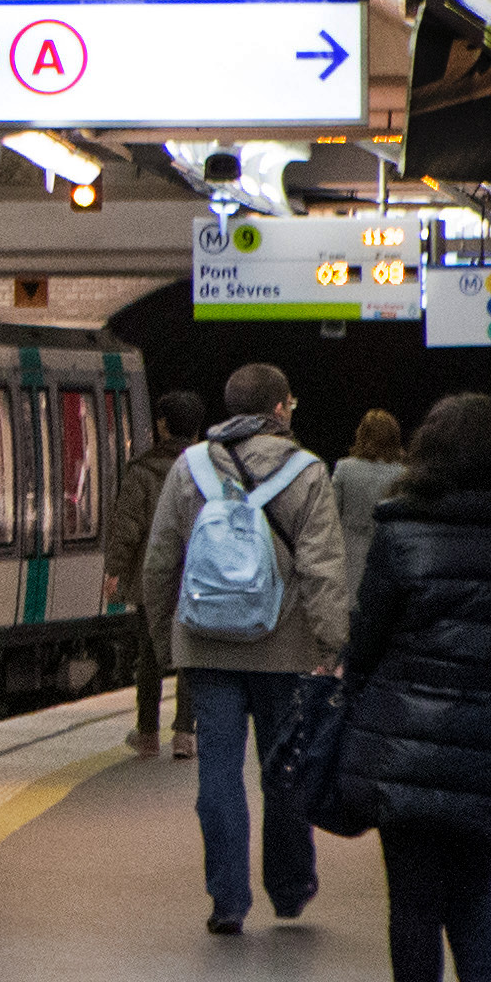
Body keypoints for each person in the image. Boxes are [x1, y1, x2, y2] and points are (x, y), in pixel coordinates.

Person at [141, 360, 353, 936]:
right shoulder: (307, 472)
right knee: (282, 769)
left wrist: (168, 641)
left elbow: (161, 560)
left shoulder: (189, 468)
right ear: (281, 408)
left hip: (206, 646)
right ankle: (288, 888)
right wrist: (334, 647)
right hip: (284, 650)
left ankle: (228, 900)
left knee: (218, 775)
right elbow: (323, 569)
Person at [331, 392, 491, 982]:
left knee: (414, 916)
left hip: (408, 755)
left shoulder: (401, 531)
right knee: (484, 902)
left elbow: (363, 644)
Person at [110, 387, 203, 756]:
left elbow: (126, 526)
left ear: (162, 426)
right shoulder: (206, 470)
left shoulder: (142, 470)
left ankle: (147, 733)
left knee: (149, 653)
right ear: (196, 430)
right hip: (197, 573)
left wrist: (115, 569)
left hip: (155, 576)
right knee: (191, 651)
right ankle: (184, 734)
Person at [333, 406, 410, 590]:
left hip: (348, 562)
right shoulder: (404, 475)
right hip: (389, 562)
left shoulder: (344, 468)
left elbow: (330, 515)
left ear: (361, 434)